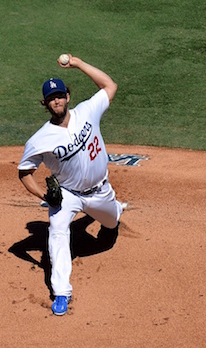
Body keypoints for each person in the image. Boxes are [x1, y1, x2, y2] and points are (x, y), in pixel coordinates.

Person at [17, 54, 125, 316]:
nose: (57, 100)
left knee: (110, 225)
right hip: (68, 195)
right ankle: (61, 292)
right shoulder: (39, 139)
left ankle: (114, 212)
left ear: (68, 96)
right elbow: (24, 172)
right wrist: (45, 195)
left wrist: (78, 64)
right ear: (45, 103)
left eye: (61, 95)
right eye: (52, 98)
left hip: (100, 191)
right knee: (56, 230)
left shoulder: (87, 111)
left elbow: (110, 86)